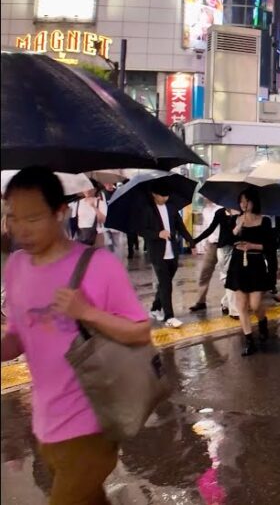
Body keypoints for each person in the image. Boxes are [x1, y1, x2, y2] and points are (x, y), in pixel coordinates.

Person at [1, 167, 150, 505]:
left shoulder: (98, 265)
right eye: (12, 217)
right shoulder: (16, 267)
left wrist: (88, 312)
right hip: (45, 426)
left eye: (33, 218)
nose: (20, 229)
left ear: (60, 212)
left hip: (92, 425)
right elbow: (15, 341)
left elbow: (141, 333)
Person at [226, 189, 277, 356]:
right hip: (238, 263)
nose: (243, 204)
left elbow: (270, 246)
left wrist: (252, 246)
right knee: (241, 305)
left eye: (247, 201)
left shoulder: (265, 221)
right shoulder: (235, 219)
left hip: (255, 264)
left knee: (255, 305)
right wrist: (237, 228)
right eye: (241, 201)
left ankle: (262, 321)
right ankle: (249, 340)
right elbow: (228, 240)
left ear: (254, 202)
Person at [141, 180, 192, 329]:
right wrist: (158, 234)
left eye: (167, 196)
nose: (165, 198)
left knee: (166, 282)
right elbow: (142, 230)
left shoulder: (171, 207)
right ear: (154, 195)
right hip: (157, 252)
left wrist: (191, 241)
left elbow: (180, 226)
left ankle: (155, 308)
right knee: (166, 284)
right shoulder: (147, 209)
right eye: (162, 196)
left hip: (172, 251)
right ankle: (169, 316)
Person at [190, 203, 239, 315]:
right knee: (205, 273)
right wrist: (195, 241)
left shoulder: (238, 213)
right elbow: (210, 228)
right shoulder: (212, 211)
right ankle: (201, 301)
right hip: (215, 245)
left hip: (232, 247)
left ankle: (228, 303)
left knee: (230, 277)